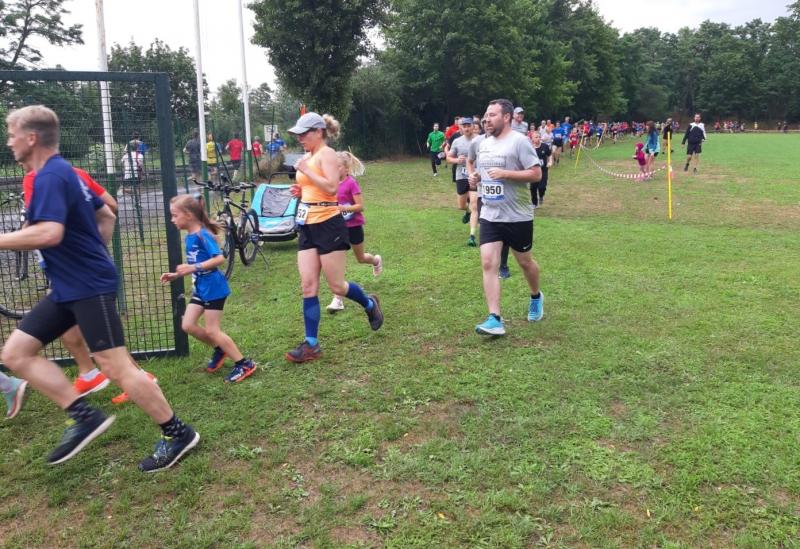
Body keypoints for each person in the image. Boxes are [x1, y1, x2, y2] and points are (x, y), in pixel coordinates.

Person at [2, 105, 199, 471]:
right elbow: (106, 213)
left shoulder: (49, 176)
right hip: (70, 285)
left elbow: (49, 233)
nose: (9, 141)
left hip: (87, 285)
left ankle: (178, 433)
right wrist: (94, 251)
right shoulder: (65, 172)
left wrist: (89, 260)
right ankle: (85, 417)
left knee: (115, 365)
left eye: (12, 135)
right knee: (15, 353)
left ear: (31, 138)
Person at [285, 112, 384, 363]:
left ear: (318, 132)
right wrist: (300, 191)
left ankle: (369, 304)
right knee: (308, 286)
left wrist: (306, 171)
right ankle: (311, 344)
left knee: (337, 286)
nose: (300, 139)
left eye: (304, 134)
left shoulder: (327, 154)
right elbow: (314, 187)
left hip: (329, 224)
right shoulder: (308, 157)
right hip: (307, 224)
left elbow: (331, 187)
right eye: (297, 135)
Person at [161, 194, 256, 383]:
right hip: (201, 287)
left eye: (175, 215)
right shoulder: (189, 237)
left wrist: (193, 268)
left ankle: (244, 364)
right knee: (187, 325)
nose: (172, 219)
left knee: (212, 330)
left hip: (214, 288)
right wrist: (177, 274)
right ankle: (220, 349)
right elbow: (196, 263)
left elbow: (219, 259)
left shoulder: (202, 235)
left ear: (188, 215)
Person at [469, 99, 543, 336]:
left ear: (507, 117)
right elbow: (483, 172)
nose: (486, 119)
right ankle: (494, 318)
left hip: (518, 215)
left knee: (525, 263)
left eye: (492, 115)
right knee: (488, 263)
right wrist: (476, 178)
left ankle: (536, 296)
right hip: (490, 213)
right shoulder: (483, 144)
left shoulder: (519, 142)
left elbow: (536, 174)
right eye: (486, 115)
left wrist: (506, 174)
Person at [326, 151, 383, 312]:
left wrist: (344, 208)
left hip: (354, 226)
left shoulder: (351, 183)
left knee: (361, 258)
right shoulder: (331, 183)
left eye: (338, 166)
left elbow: (360, 206)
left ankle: (375, 260)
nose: (335, 169)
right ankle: (338, 299)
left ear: (346, 168)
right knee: (338, 262)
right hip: (338, 228)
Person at [446, 117, 479, 246]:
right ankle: (467, 211)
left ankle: (472, 236)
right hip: (461, 176)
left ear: (473, 126)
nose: (466, 128)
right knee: (461, 205)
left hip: (475, 176)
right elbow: (448, 158)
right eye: (464, 126)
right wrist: (456, 160)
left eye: (468, 125)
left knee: (474, 205)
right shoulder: (457, 141)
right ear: (461, 128)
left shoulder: (480, 140)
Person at [530, 131, 552, 206]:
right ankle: (534, 203)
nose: (538, 138)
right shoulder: (530, 148)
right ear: (532, 139)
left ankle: (541, 196)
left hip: (543, 170)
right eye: (536, 137)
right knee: (533, 188)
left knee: (542, 187)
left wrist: (550, 162)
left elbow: (550, 155)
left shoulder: (545, 146)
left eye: (539, 137)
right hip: (533, 171)